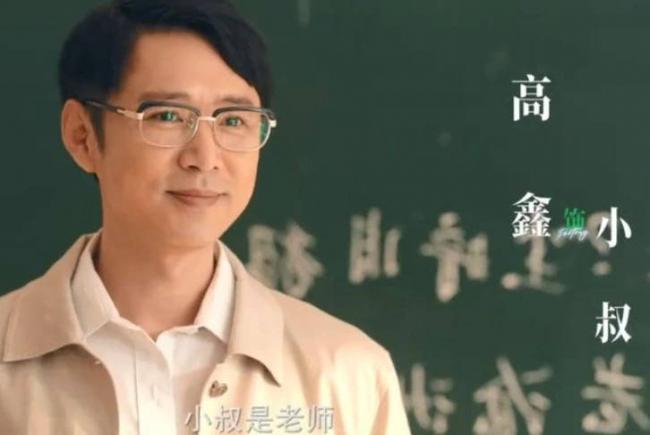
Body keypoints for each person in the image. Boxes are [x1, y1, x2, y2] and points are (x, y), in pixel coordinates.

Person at [0, 0, 411, 434]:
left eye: (233, 120)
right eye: (168, 116)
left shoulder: (347, 375)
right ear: (82, 136)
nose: (205, 157)